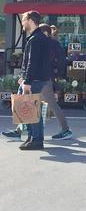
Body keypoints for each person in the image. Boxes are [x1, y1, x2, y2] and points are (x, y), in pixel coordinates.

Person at [16, 11, 52, 150]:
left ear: (31, 20)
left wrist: (27, 81)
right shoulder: (38, 37)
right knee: (31, 109)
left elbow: (33, 62)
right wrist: (24, 77)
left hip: (34, 80)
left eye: (24, 20)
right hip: (36, 78)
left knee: (31, 109)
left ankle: (36, 139)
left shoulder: (35, 39)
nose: (23, 23)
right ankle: (33, 138)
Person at [38, 24, 73, 140]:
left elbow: (55, 61)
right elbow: (61, 62)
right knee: (34, 102)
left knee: (45, 103)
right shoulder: (53, 44)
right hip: (46, 77)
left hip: (44, 77)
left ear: (45, 33)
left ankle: (66, 129)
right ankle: (20, 129)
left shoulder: (47, 44)